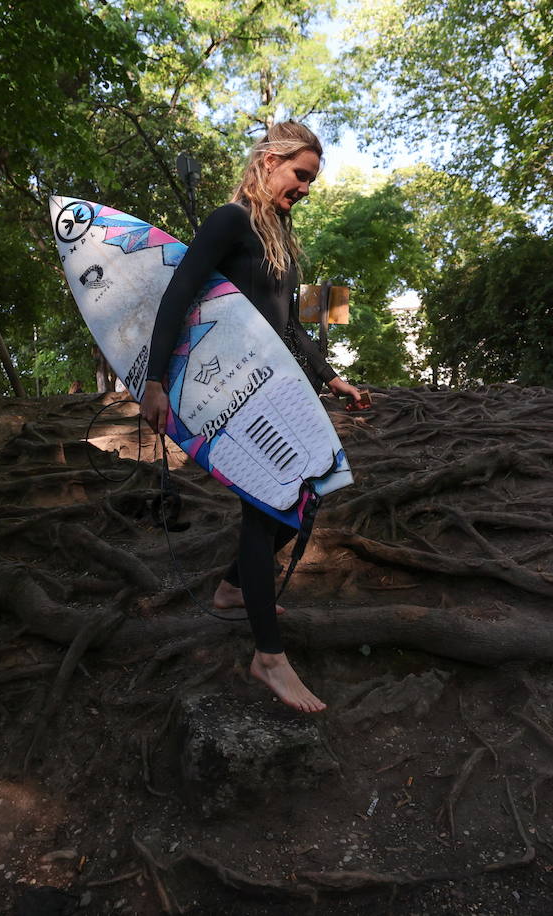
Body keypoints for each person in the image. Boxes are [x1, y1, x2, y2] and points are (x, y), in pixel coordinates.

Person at [140, 122, 366, 714]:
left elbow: (290, 324)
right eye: (301, 175)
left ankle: (232, 589)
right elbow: (179, 293)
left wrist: (333, 379)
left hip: (277, 387)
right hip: (232, 392)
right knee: (266, 514)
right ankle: (269, 658)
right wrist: (156, 379)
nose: (307, 188)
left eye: (312, 180)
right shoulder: (228, 222)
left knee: (304, 501)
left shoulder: (281, 234)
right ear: (269, 161)